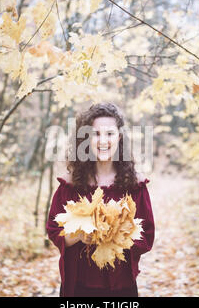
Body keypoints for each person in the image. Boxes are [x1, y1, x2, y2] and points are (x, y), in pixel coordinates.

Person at [46, 102, 155, 297]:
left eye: (110, 134)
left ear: (119, 137)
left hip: (121, 287)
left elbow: (146, 234)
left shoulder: (134, 186)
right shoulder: (71, 186)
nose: (103, 140)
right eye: (96, 134)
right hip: (78, 286)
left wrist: (116, 234)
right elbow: (54, 230)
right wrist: (79, 235)